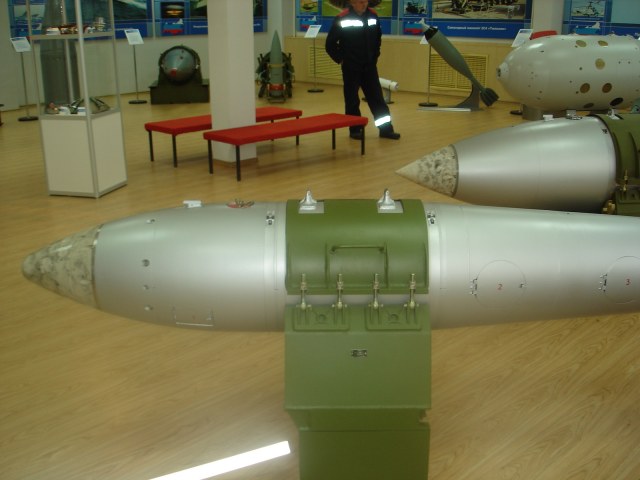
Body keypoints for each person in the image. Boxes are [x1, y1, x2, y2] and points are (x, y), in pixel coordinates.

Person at [325, 0, 400, 140]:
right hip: (351, 67)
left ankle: (385, 130)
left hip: (369, 66)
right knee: (352, 100)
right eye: (360, 1)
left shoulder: (373, 15)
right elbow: (330, 44)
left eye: (365, 1)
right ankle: (355, 130)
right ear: (352, 2)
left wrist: (375, 56)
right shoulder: (342, 18)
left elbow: (377, 38)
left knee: (377, 98)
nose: (364, 4)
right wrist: (342, 59)